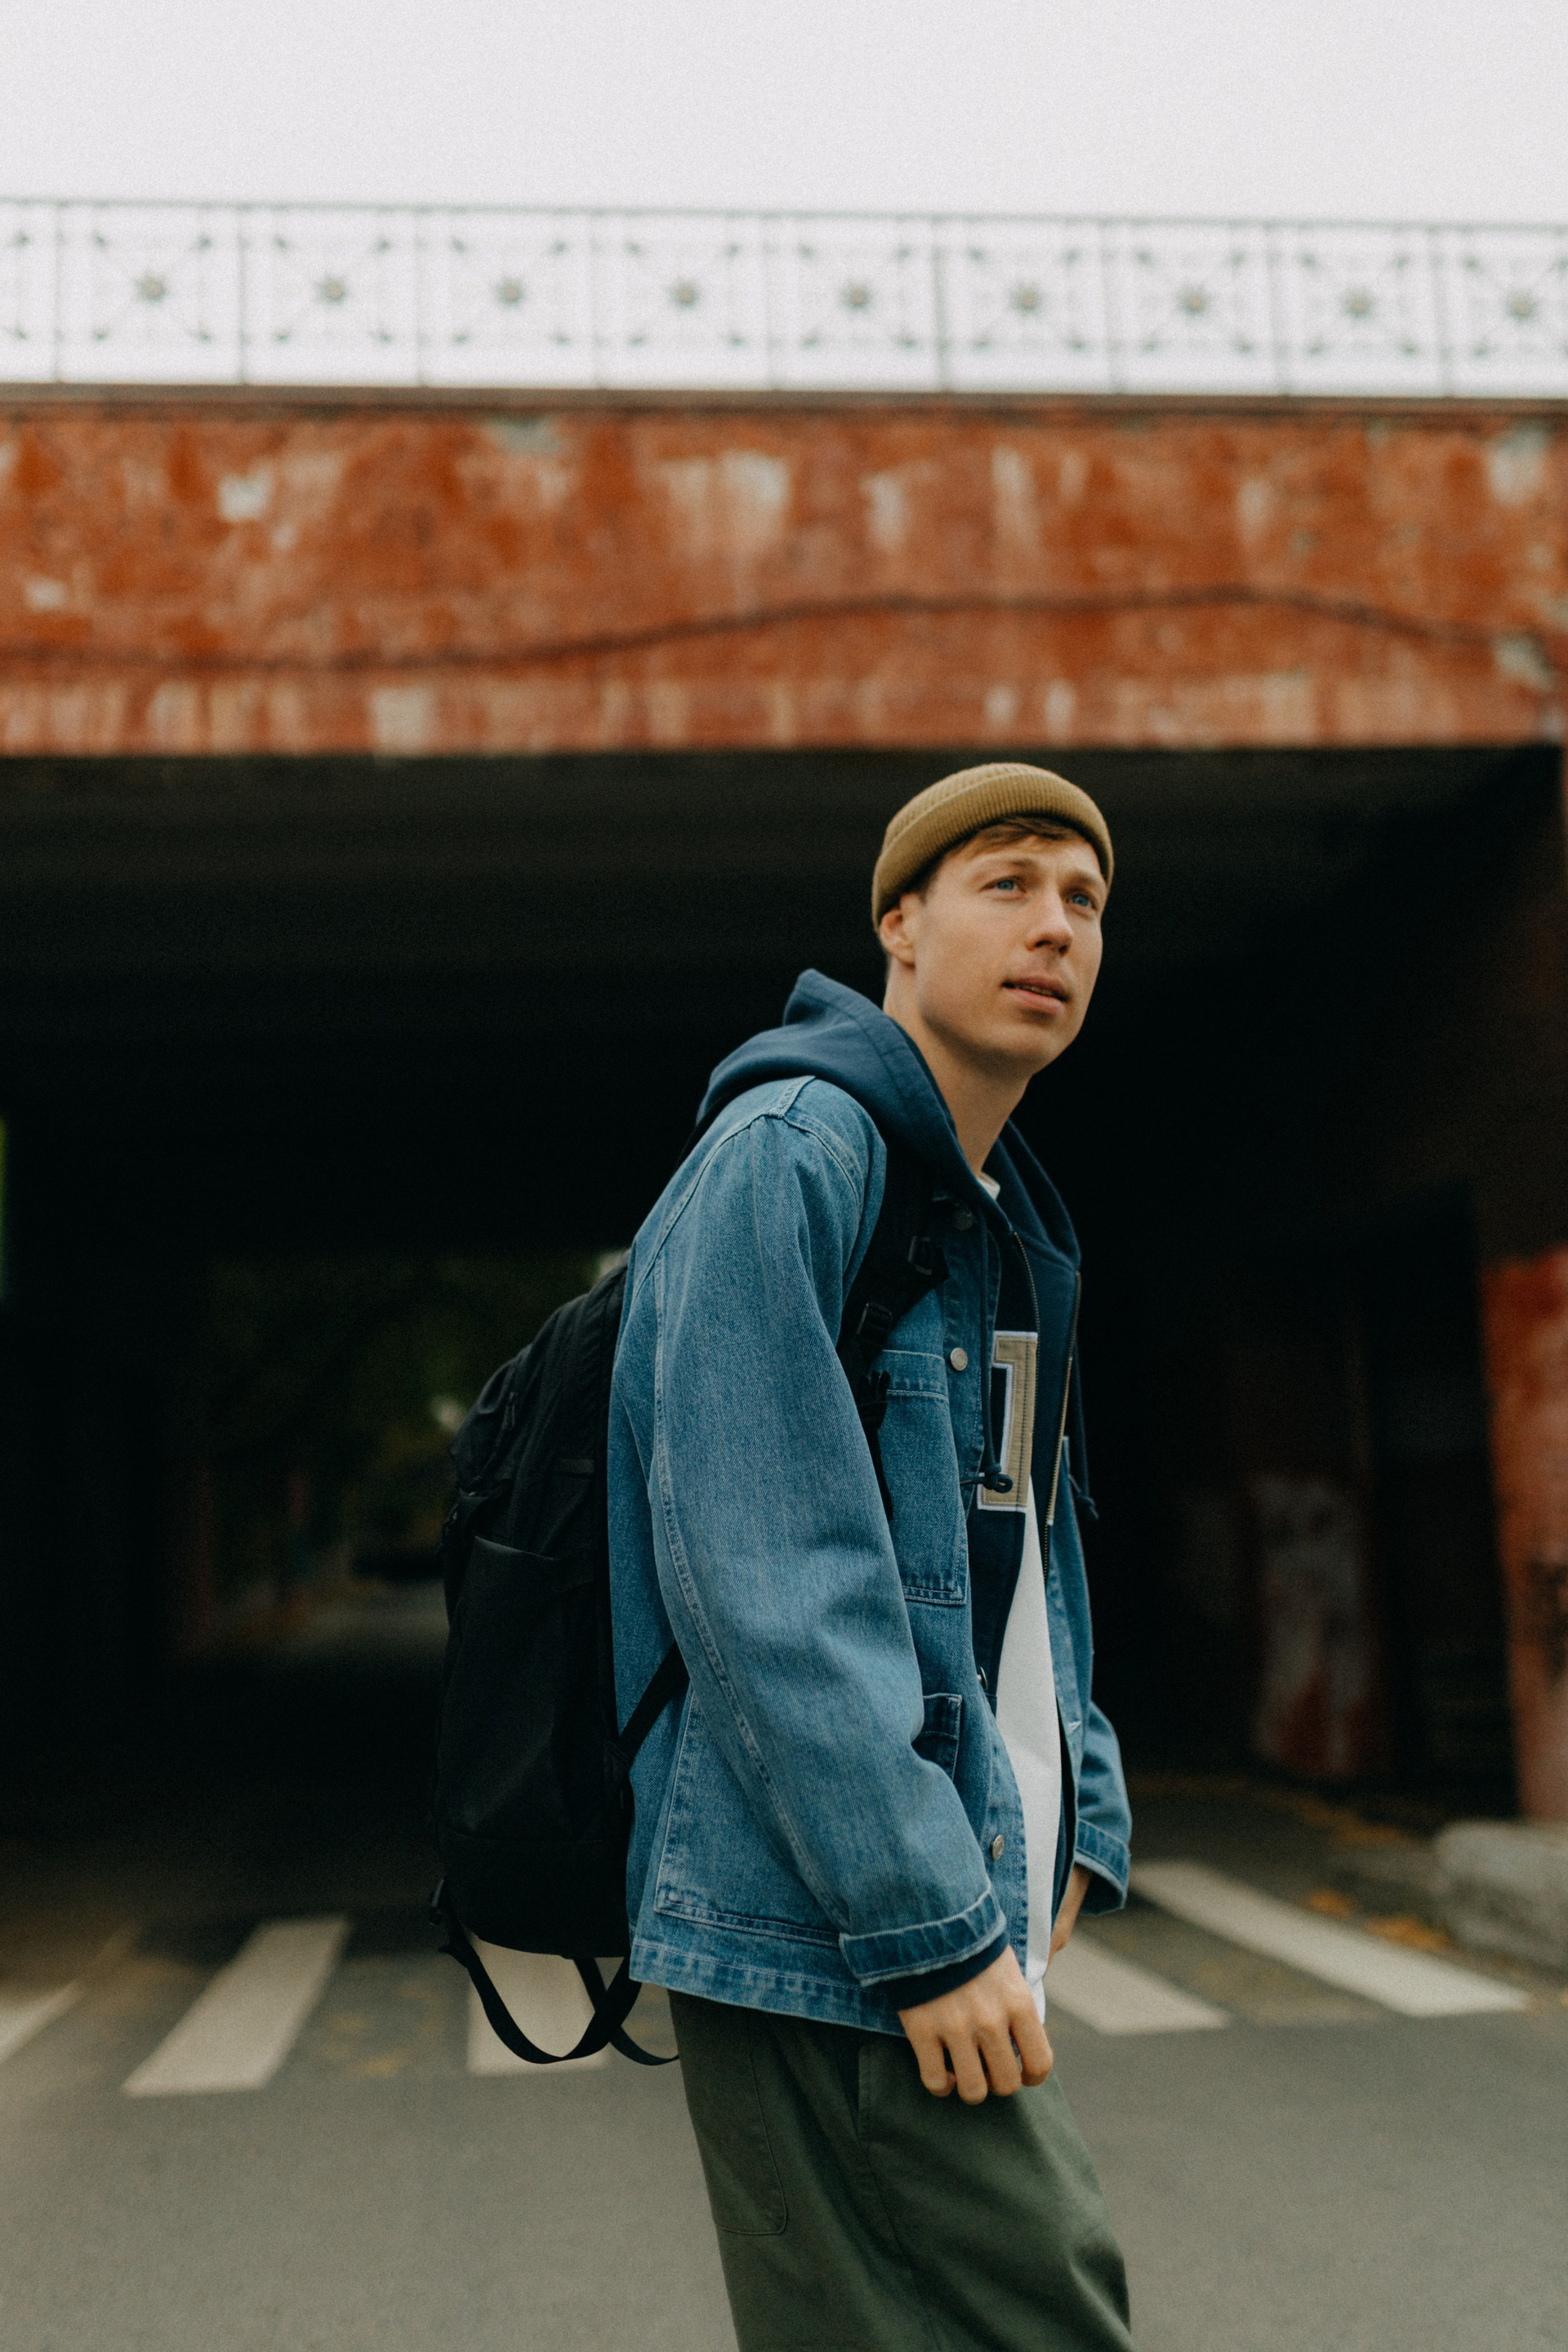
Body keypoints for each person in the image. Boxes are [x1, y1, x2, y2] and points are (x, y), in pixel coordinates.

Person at [608, 763, 1134, 2352]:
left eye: (1085, 901)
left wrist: (1080, 1817)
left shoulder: (995, 1215)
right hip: (828, 1912)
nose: (1056, 927)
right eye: (1009, 884)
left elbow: (1028, 1545)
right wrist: (923, 1922)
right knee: (1046, 2302)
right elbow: (765, 1581)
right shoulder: (795, 1153)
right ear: (899, 926)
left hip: (945, 1878)